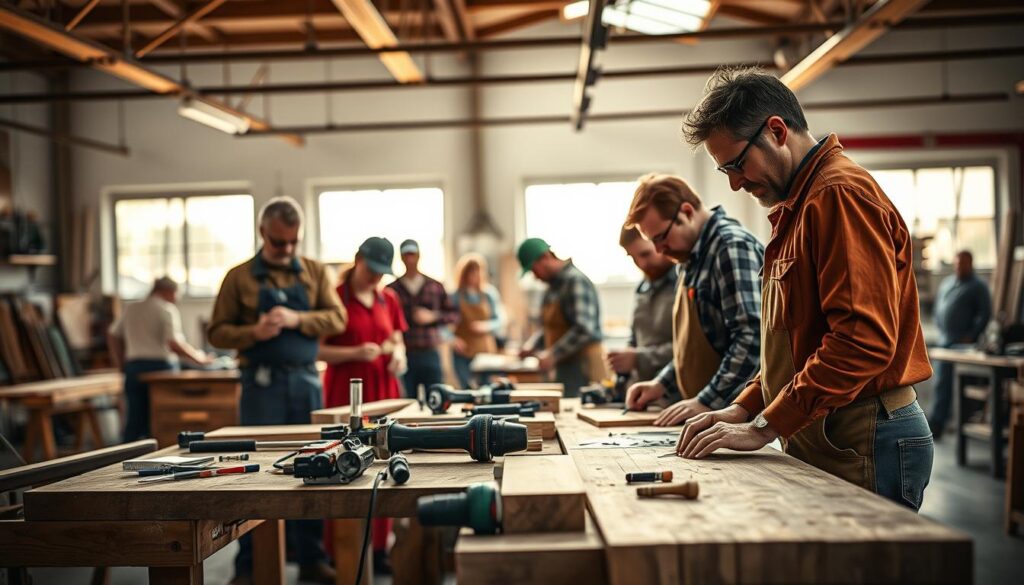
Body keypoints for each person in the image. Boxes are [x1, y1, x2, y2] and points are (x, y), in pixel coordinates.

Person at [676, 67, 935, 511]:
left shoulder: (838, 196)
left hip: (864, 433)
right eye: (724, 171)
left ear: (776, 131)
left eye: (737, 164)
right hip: (832, 428)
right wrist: (744, 407)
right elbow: (795, 345)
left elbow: (861, 341)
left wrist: (765, 426)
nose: (735, 182)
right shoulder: (799, 206)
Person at [207, 196, 347, 585]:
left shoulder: (315, 272)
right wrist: (253, 331)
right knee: (255, 472)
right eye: (278, 242)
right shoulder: (239, 277)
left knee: (316, 465)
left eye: (293, 242)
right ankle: (248, 566)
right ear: (262, 233)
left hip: (305, 381)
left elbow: (338, 318)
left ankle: (311, 559)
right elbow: (216, 332)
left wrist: (298, 319)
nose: (286, 249)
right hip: (260, 385)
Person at [622, 176, 764, 426]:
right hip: (714, 417)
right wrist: (661, 383)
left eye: (660, 237)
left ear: (686, 212)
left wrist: (707, 400)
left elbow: (751, 337)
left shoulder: (730, 247)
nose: (659, 250)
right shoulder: (690, 258)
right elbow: (697, 349)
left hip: (742, 418)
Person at [319, 236, 407, 573]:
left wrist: (398, 354)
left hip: (383, 390)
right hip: (346, 394)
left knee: (383, 461)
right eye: (372, 270)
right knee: (344, 463)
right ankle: (341, 549)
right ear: (357, 260)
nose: (376, 278)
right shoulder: (334, 299)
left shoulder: (388, 299)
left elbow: (397, 337)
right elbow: (316, 350)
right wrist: (355, 353)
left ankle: (379, 546)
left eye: (382, 272)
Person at [108, 276, 212, 441]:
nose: (176, 299)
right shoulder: (166, 309)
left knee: (134, 420)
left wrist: (120, 362)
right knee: (163, 419)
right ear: (167, 291)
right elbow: (173, 344)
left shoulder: (131, 308)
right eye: (176, 294)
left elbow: (113, 335)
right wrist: (199, 359)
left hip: (134, 368)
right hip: (161, 370)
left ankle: (128, 454)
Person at [516, 238, 610, 396]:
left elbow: (584, 329)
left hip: (585, 367)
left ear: (545, 257)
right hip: (566, 368)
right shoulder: (552, 288)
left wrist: (552, 355)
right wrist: (532, 346)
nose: (535, 277)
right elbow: (550, 327)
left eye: (534, 270)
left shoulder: (575, 281)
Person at [927, 250, 992, 438]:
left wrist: (971, 335)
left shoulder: (978, 286)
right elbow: (938, 309)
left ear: (970, 264)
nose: (959, 267)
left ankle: (950, 422)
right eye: (956, 264)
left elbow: (985, 314)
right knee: (940, 383)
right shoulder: (947, 283)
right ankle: (938, 422)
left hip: (963, 346)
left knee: (956, 385)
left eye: (962, 264)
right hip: (944, 341)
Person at [607, 225, 677, 391]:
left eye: (645, 254)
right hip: (642, 390)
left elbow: (691, 348)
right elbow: (635, 338)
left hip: (676, 392)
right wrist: (624, 358)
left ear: (661, 242)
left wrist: (640, 358)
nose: (641, 264)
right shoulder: (642, 288)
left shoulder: (684, 284)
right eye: (633, 258)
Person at [387, 239, 458, 398]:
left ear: (419, 256)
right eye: (406, 255)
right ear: (401, 258)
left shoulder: (435, 286)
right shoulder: (392, 290)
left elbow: (453, 315)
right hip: (406, 352)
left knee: (436, 396)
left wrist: (433, 316)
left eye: (413, 254)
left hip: (430, 351)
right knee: (407, 399)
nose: (410, 259)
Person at [451, 253, 507, 388]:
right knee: (467, 388)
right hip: (463, 352)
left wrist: (486, 326)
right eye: (471, 272)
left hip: (485, 351)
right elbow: (444, 322)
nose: (474, 275)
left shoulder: (489, 294)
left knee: (487, 388)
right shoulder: (455, 296)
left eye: (477, 271)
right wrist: (452, 339)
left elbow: (500, 320)